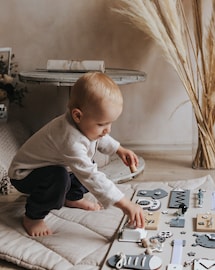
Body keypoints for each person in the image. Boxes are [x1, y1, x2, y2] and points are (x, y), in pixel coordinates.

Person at [8, 72, 145, 237]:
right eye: (102, 124)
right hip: (24, 175)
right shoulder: (70, 139)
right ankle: (33, 216)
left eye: (110, 123)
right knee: (63, 176)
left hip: (53, 165)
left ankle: (72, 197)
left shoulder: (84, 125)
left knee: (80, 164)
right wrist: (125, 204)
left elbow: (101, 139)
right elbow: (91, 176)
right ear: (77, 115)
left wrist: (119, 149)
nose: (108, 129)